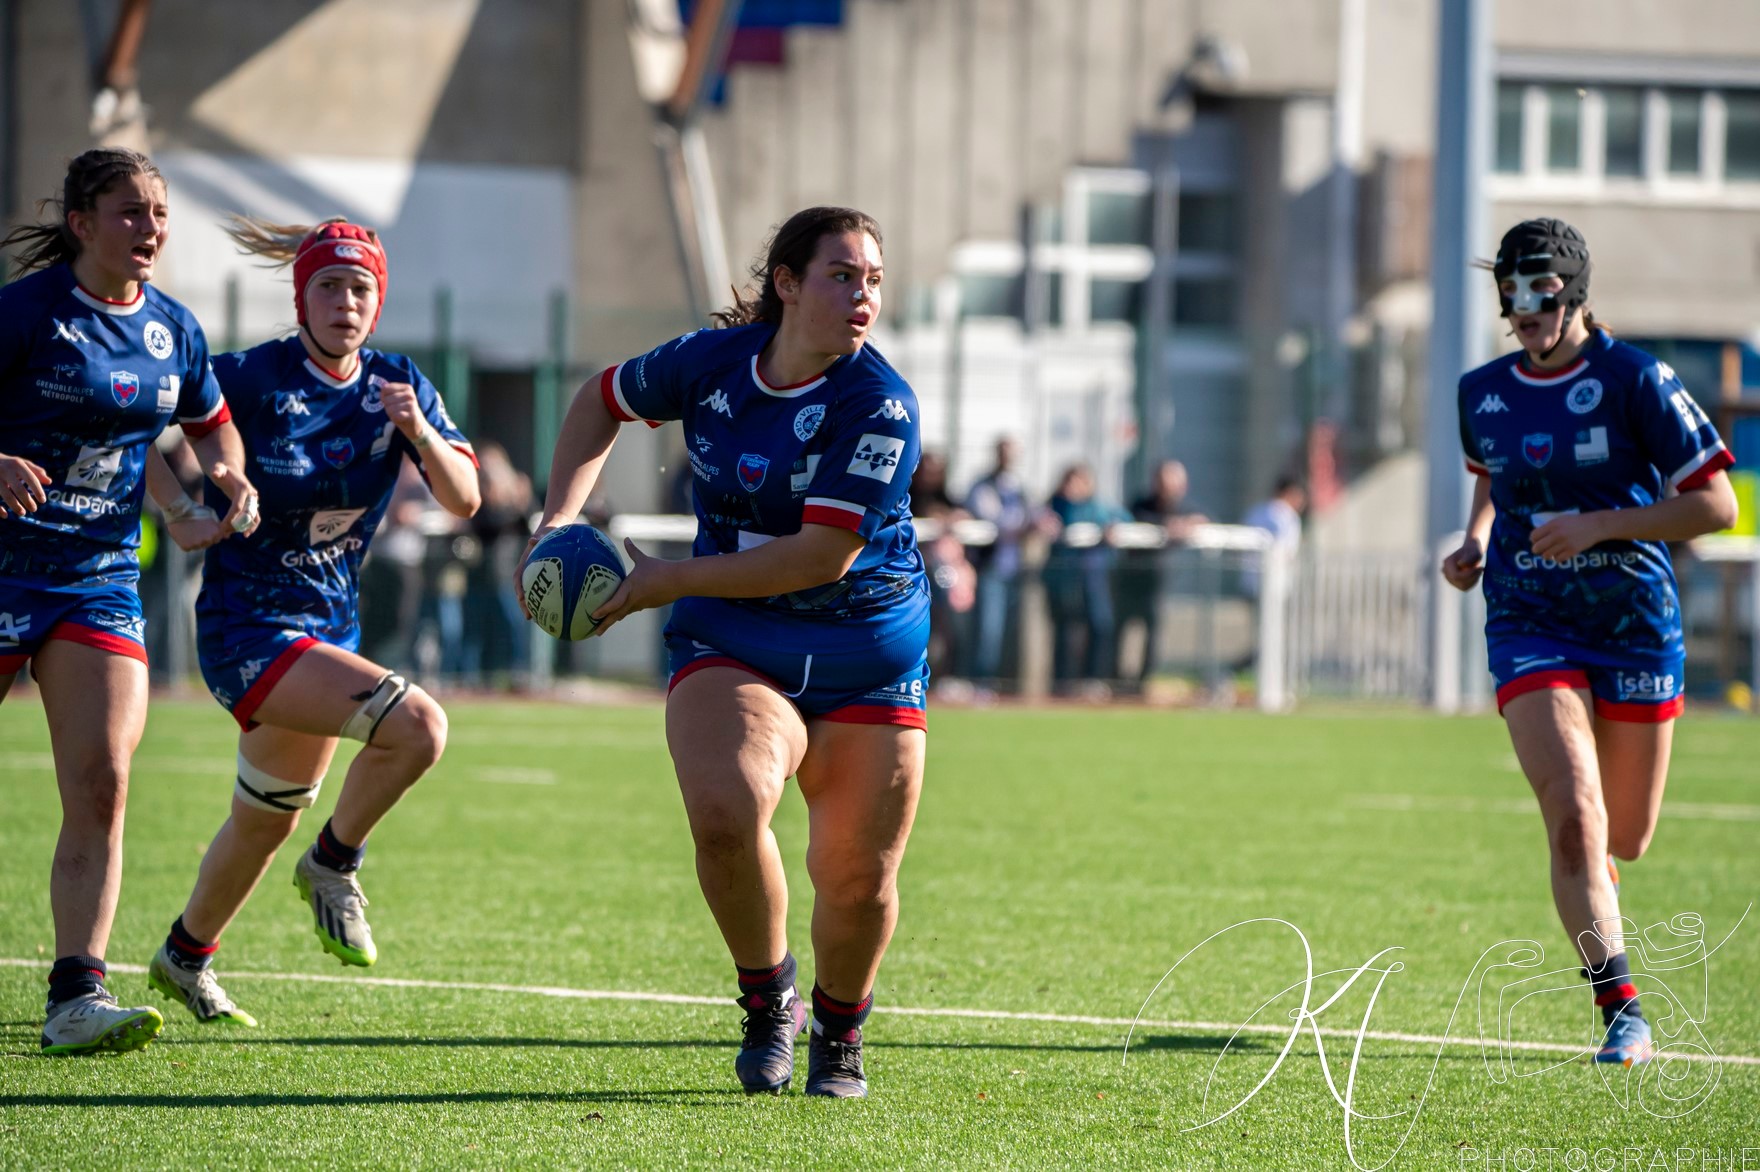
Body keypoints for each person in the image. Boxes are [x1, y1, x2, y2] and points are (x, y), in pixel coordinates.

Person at [523, 206, 926, 1098]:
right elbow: (599, 400)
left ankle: (841, 1027)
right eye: (841, 275)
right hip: (736, 634)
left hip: (867, 645)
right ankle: (767, 996)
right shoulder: (709, 366)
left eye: (873, 280)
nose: (863, 295)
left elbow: (821, 556)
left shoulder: (881, 405)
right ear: (786, 283)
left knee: (857, 880)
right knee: (726, 808)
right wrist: (558, 521)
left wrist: (667, 580)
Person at [142, 216, 480, 1028]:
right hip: (245, 628)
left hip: (326, 633)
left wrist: (419, 431)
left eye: (361, 286)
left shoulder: (400, 384)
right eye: (328, 284)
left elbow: (465, 499)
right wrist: (186, 509)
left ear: (378, 301)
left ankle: (184, 957)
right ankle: (334, 864)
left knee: (264, 818)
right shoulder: (251, 377)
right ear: (302, 296)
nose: (345, 300)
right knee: (421, 728)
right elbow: (144, 432)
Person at [1441, 218, 1737, 1067]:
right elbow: (1496, 473)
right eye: (1511, 291)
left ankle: (1604, 898)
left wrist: (1602, 525)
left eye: (1538, 289)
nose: (1523, 307)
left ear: (1571, 291)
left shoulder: (1636, 378)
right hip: (1529, 619)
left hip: (1634, 624)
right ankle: (1622, 1009)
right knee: (1574, 813)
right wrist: (1475, 539)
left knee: (1624, 839)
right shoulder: (1482, 390)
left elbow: (1717, 508)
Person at [0, 148, 259, 1055]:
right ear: (81, 222)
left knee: (104, 784)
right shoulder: (24, 313)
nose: (149, 229)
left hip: (96, 579)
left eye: (158, 213)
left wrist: (223, 488)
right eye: (128, 212)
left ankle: (77, 994)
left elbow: (210, 429)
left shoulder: (174, 330)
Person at [1116, 459, 1207, 684]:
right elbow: (1135, 521)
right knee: (1120, 631)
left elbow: (1204, 518)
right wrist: (1167, 525)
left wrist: (1190, 523)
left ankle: (1144, 681)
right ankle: (1116, 679)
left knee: (1153, 633)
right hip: (1130, 580)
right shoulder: (1142, 504)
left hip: (1158, 583)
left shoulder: (1185, 507)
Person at [1042, 463, 1128, 692]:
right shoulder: (1055, 506)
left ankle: (1094, 680)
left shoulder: (1098, 507)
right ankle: (1061, 682)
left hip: (1093, 579)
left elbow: (1123, 520)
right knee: (1066, 632)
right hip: (1064, 581)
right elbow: (1038, 519)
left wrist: (1114, 528)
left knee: (1099, 626)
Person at [964, 437, 1030, 687]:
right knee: (988, 630)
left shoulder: (1018, 486)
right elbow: (996, 520)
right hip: (990, 567)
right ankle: (982, 683)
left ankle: (1000, 683)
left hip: (1014, 568)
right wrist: (1023, 524)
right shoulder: (982, 485)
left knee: (1007, 632)